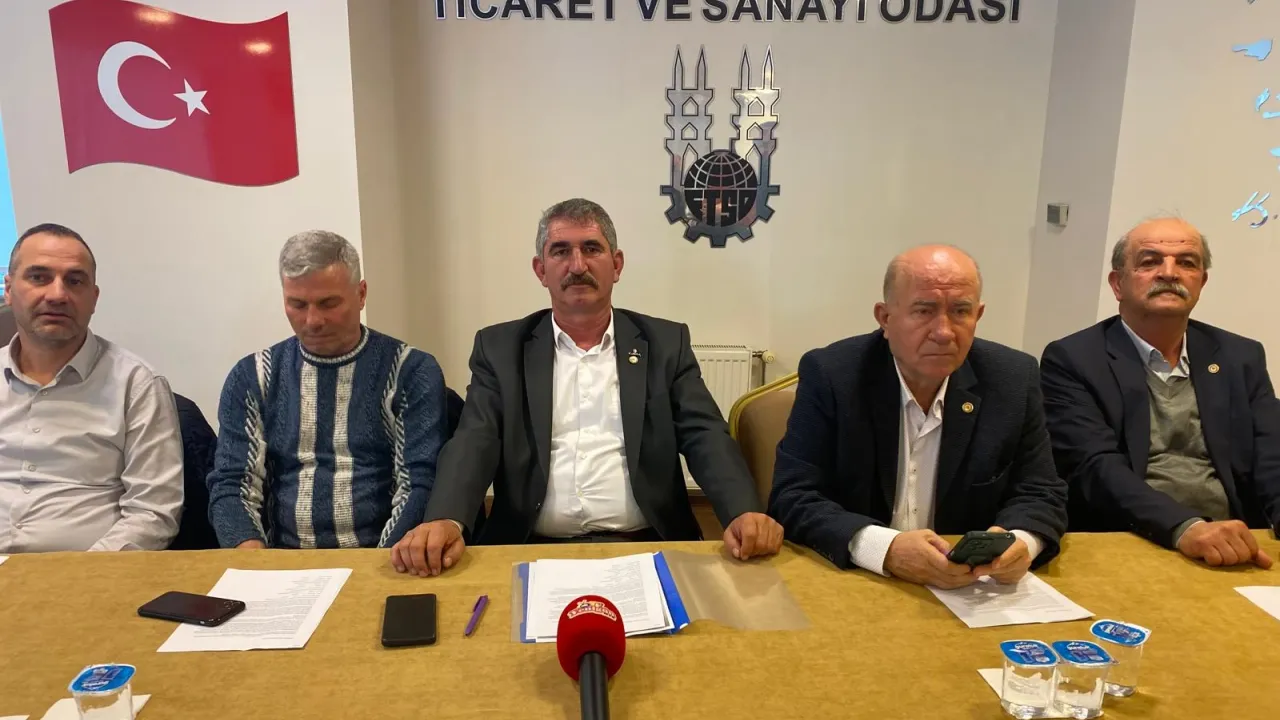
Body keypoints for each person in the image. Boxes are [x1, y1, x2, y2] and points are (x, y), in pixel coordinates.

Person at [391, 198, 782, 575]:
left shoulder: (665, 343)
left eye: (591, 248)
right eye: (560, 251)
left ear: (616, 264)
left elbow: (704, 435)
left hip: (646, 543)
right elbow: (476, 439)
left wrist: (742, 510)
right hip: (529, 546)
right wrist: (446, 518)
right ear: (541, 270)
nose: (577, 265)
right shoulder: (500, 348)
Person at [769, 245, 1067, 588]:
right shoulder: (833, 375)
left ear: (978, 315)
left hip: (970, 589)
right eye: (924, 311)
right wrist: (886, 549)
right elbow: (793, 495)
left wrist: (1022, 541)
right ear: (885, 318)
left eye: (961, 311)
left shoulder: (1013, 379)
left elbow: (1041, 491)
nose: (944, 332)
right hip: (859, 582)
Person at [1041, 217, 1279, 568]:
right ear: (1118, 283)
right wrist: (1186, 528)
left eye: (1187, 263)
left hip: (1232, 540)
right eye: (1150, 261)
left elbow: (1272, 453)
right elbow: (1095, 467)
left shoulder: (1240, 356)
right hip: (1127, 541)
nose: (1169, 273)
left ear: (1202, 282)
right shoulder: (1073, 359)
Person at [207, 231, 446, 549]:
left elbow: (419, 483)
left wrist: (379, 564)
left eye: (328, 303)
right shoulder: (253, 376)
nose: (312, 320)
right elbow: (231, 484)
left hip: (384, 556)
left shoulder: (409, 370)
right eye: (297, 304)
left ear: (361, 294)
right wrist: (254, 560)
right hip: (283, 559)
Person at [0, 223, 183, 552]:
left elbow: (152, 513)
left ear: (94, 298)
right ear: (9, 289)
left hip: (87, 571)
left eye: (74, 281)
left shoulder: (136, 385)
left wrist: (84, 573)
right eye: (39, 277)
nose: (57, 295)